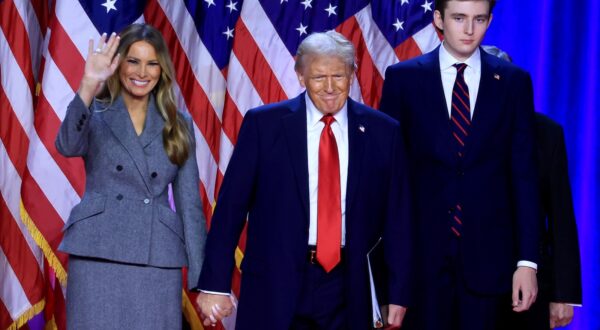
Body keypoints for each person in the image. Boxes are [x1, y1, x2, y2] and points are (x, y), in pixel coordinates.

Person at [196, 31, 412, 329]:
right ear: (300, 76)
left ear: (352, 74)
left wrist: (398, 293)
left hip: (349, 285)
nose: (329, 87)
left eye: (338, 75)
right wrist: (214, 284)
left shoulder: (383, 131)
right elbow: (230, 209)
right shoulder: (264, 125)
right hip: (275, 280)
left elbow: (398, 219)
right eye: (318, 77)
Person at [379, 1, 541, 329]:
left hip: (491, 263)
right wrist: (392, 273)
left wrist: (527, 262)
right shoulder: (403, 80)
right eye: (459, 18)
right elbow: (390, 182)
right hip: (421, 263)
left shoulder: (513, 82)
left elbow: (524, 177)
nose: (469, 30)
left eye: (479, 19)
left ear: (490, 20)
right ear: (439, 18)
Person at [55, 24, 207, 329]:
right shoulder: (94, 113)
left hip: (157, 258)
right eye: (133, 61)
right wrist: (88, 84)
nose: (142, 72)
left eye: (152, 63)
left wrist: (203, 281)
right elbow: (67, 145)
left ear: (162, 69)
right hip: (97, 251)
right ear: (118, 64)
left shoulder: (179, 124)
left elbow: (190, 206)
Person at [483, 45, 583, 329]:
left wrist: (564, 293)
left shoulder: (546, 133)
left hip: (531, 281)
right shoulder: (452, 131)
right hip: (464, 281)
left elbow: (561, 216)